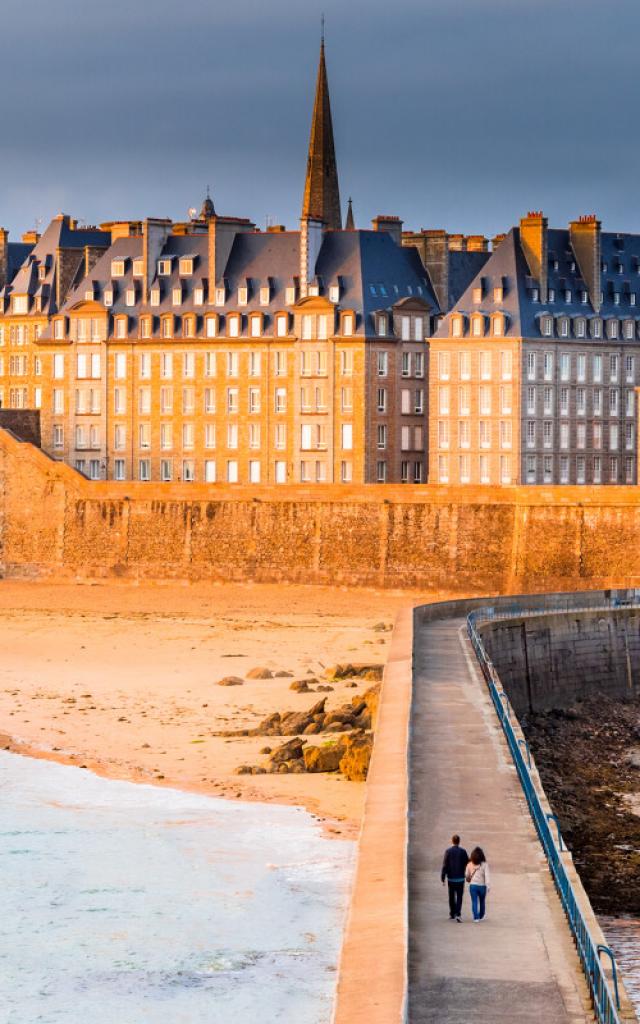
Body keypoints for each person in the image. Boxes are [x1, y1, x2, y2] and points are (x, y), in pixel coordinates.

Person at [441, 834, 468, 921]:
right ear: (459, 842)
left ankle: (452, 914)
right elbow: (467, 863)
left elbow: (445, 865)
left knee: (451, 897)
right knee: (459, 897)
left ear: (452, 841)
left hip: (451, 879)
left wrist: (443, 877)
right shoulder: (463, 851)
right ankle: (458, 914)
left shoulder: (448, 851)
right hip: (460, 879)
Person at [466, 846, 490, 921]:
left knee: (474, 901)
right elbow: (487, 876)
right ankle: (481, 915)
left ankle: (476, 917)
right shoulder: (485, 865)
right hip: (482, 886)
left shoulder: (469, 864)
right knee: (482, 901)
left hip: (473, 886)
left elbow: (466, 875)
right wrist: (488, 886)